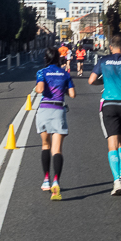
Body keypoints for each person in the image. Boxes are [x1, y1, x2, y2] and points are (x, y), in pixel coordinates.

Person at [88, 33, 121, 195]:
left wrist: (102, 81)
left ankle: (116, 179)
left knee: (112, 141)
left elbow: (91, 80)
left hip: (109, 103)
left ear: (110, 47)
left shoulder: (103, 61)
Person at [35, 47, 75, 200]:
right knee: (57, 149)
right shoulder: (65, 74)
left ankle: (46, 180)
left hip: (44, 109)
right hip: (59, 110)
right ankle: (56, 181)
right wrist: (63, 89)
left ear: (46, 58)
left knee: (46, 145)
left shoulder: (42, 72)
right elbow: (72, 94)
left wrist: (40, 87)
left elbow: (39, 89)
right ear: (59, 58)